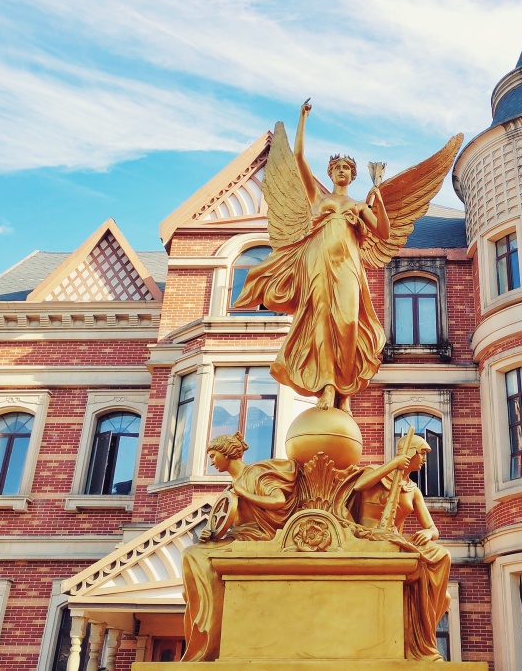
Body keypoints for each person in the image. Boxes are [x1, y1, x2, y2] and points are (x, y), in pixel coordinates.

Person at [235, 101, 390, 413]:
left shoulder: (360, 206)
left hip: (348, 266)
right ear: (331, 172)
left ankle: (346, 391)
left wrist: (379, 199)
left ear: (354, 175)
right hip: (317, 263)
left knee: (347, 324)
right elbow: (298, 158)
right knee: (321, 320)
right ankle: (329, 387)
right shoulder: (318, 198)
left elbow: (383, 232)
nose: (342, 171)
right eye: (337, 168)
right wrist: (302, 120)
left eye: (347, 168)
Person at [180, 433, 297, 662]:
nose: (211, 462)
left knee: (195, 556)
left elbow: (278, 501)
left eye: (213, 456)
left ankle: (210, 632)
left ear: (226, 454)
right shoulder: (231, 486)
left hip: (261, 537)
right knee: (192, 554)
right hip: (240, 536)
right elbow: (230, 521)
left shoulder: (254, 474)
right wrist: (211, 533)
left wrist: (245, 493)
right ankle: (203, 621)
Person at [350, 434, 451, 661]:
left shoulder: (413, 490)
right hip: (369, 536)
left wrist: (428, 532)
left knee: (442, 558)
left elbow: (432, 528)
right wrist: (392, 465)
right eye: (422, 453)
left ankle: (421, 636)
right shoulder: (376, 474)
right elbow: (358, 486)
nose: (424, 458)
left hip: (394, 539)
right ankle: (419, 635)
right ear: (410, 452)